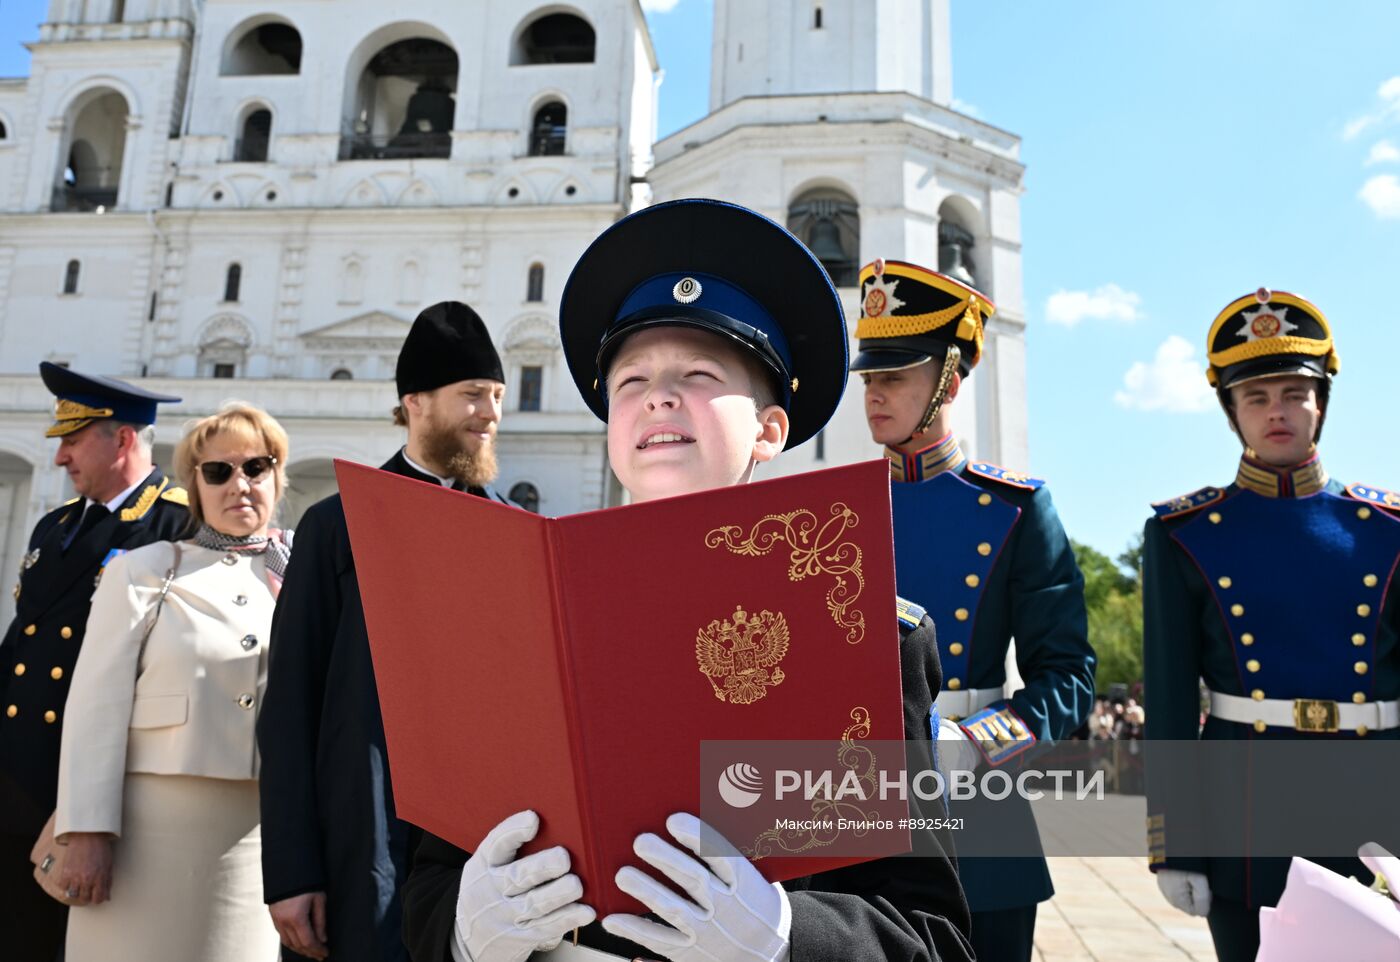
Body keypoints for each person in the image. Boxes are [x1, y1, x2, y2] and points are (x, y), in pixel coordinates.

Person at [402, 198, 975, 962]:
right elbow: (429, 883)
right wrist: (463, 932)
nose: (658, 396)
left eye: (699, 373)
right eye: (630, 379)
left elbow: (927, 938)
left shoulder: (860, 636)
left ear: (770, 429)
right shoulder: (509, 623)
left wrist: (784, 941)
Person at [1143, 288, 1400, 962]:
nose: (1277, 411)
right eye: (1255, 397)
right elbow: (1169, 703)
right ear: (1231, 412)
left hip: (1378, 801)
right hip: (1246, 810)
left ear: (1322, 401)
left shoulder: (1388, 529)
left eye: (1294, 392)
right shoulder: (1186, 533)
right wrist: (1174, 845)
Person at [852, 258, 1095, 962]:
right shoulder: (834, 511)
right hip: (858, 798)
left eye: (894, 376)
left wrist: (978, 743)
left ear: (950, 382)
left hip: (982, 807)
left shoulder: (1016, 509)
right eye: (870, 377)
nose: (874, 394)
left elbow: (1067, 677)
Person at [258, 301, 512, 962]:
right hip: (360, 843)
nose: (491, 413)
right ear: (416, 403)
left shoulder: (517, 536)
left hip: (484, 854)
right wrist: (292, 873)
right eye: (473, 396)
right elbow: (288, 707)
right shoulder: (336, 527)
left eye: (496, 396)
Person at [53, 402, 291, 961]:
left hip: (257, 835)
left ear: (277, 476)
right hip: (144, 835)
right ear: (196, 486)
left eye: (256, 467)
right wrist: (86, 833)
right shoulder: (146, 570)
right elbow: (94, 709)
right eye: (218, 471)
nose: (240, 484)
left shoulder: (301, 574)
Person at [0, 362, 187, 960]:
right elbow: (21, 649)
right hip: (15, 777)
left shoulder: (176, 524)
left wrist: (87, 809)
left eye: (74, 442)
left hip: (82, 795)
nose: (59, 459)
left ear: (123, 439)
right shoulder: (54, 528)